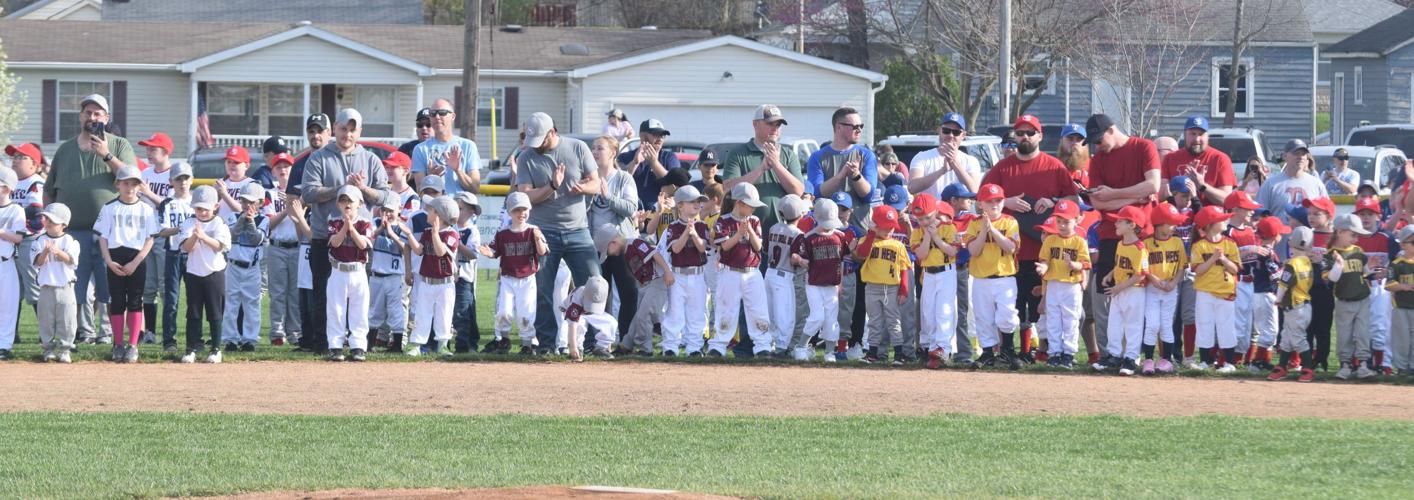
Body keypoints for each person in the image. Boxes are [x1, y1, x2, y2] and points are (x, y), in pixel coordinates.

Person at [979, 115, 1080, 363]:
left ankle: (1042, 350)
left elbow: (1075, 200)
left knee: (1042, 305)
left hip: (1043, 249)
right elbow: (980, 200)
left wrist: (1053, 202)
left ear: (1040, 136)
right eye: (1020, 133)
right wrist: (1007, 202)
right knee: (1011, 304)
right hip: (1009, 253)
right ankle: (1008, 351)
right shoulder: (1003, 168)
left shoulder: (1053, 166)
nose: (1024, 137)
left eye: (1030, 132)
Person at [44, 93, 135, 346]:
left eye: (97, 114)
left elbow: (131, 178)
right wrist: (49, 220)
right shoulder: (65, 149)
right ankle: (84, 332)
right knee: (77, 286)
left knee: (109, 285)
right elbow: (49, 188)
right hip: (73, 231)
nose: (92, 117)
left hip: (111, 231)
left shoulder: (119, 145)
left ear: (106, 118)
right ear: (80, 115)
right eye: (87, 112)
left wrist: (106, 154)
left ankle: (106, 334)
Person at [300, 108, 391, 356]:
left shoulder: (370, 159)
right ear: (334, 130)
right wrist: (340, 189)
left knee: (360, 297)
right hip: (325, 237)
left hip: (359, 239)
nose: (347, 134)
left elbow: (385, 196)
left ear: (359, 131)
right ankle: (327, 344)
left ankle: (359, 343)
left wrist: (362, 189)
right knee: (325, 294)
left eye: (352, 129)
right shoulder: (319, 157)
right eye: (343, 128)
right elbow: (308, 193)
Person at [514, 112, 602, 353]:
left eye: (540, 140)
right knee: (543, 290)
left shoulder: (578, 148)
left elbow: (596, 183)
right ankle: (546, 344)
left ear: (552, 132)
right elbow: (525, 196)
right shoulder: (526, 157)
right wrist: (552, 185)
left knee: (594, 285)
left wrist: (583, 188)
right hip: (544, 233)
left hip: (578, 231)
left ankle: (597, 342)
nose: (536, 147)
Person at [1082, 113, 1161, 361]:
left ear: (1112, 129)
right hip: (1110, 234)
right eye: (1093, 142)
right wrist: (1134, 199)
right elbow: (1096, 200)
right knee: (1105, 294)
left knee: (1139, 296)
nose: (1097, 146)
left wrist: (1114, 195)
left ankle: (1135, 354)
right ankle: (1109, 354)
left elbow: (1153, 186)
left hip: (1141, 235)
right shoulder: (1097, 161)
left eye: (1099, 139)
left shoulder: (1144, 147)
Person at [96, 165, 160, 363]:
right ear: (118, 184)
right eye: (126, 183)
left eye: (134, 183)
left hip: (137, 257)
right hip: (115, 256)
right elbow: (103, 237)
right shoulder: (109, 208)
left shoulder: (146, 209)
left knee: (134, 300)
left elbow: (150, 238)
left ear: (140, 186)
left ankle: (132, 345)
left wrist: (136, 261)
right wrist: (108, 261)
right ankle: (117, 344)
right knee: (117, 301)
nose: (130, 187)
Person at [710, 182, 772, 358]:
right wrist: (739, 234)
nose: (753, 209)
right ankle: (719, 344)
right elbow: (726, 246)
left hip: (752, 271)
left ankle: (762, 345)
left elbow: (759, 246)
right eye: (751, 205)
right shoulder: (724, 221)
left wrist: (750, 231)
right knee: (726, 308)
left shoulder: (755, 220)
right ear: (740, 203)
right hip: (730, 271)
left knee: (757, 309)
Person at [721, 105, 806, 231]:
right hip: (744, 230)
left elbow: (798, 191)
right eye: (770, 123)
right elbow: (728, 188)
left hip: (780, 231)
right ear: (755, 124)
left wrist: (776, 165)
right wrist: (761, 169)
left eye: (778, 124)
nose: (775, 128)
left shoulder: (788, 154)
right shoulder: (738, 153)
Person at [480, 192, 546, 355]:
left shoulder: (533, 231)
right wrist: (489, 253)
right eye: (517, 210)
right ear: (510, 212)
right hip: (508, 278)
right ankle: (504, 340)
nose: (521, 213)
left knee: (526, 313)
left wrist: (538, 239)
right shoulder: (503, 234)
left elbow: (543, 252)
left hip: (527, 279)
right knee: (504, 311)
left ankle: (527, 344)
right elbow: (494, 252)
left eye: (524, 209)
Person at [589, 135, 640, 346]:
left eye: (600, 148)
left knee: (628, 292)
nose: (595, 152)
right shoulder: (588, 178)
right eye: (593, 148)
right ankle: (602, 341)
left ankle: (626, 340)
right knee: (600, 295)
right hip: (596, 246)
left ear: (613, 153)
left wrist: (608, 196)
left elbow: (630, 207)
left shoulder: (623, 178)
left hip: (621, 245)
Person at [594, 223, 674, 357]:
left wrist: (667, 271)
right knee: (637, 318)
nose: (610, 254)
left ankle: (646, 349)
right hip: (646, 285)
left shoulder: (635, 243)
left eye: (608, 250)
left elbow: (654, 254)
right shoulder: (625, 251)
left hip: (657, 280)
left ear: (613, 242)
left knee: (644, 316)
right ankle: (626, 345)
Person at [1092, 206, 1148, 376]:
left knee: (1133, 326)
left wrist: (1118, 287)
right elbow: (1119, 265)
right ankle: (1114, 356)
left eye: (1120, 221)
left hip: (1134, 291)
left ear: (1132, 225)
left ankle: (1130, 358)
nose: (1115, 223)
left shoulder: (1139, 248)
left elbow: (1140, 275)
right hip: (1119, 290)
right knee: (1114, 324)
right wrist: (1110, 275)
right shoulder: (1120, 244)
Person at [1035, 200, 1090, 370]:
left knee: (1070, 319)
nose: (1062, 225)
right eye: (1059, 221)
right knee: (1053, 319)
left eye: (1066, 222)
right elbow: (1045, 260)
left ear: (1076, 220)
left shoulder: (1079, 241)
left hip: (1071, 285)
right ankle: (1055, 352)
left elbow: (1086, 264)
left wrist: (1075, 265)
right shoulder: (1050, 240)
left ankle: (1068, 353)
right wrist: (1042, 267)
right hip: (1053, 284)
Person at [179, 186, 231, 364]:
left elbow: (219, 246)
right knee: (193, 313)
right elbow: (187, 248)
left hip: (214, 273)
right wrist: (195, 236)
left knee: (215, 312)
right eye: (197, 208)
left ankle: (216, 349)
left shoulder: (219, 223)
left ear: (215, 206)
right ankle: (190, 349)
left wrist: (202, 236)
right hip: (194, 273)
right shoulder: (188, 223)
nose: (200, 212)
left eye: (204, 208)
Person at [855, 205, 912, 365]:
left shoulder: (898, 245)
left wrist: (904, 289)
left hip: (891, 289)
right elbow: (861, 254)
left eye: (891, 227)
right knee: (874, 322)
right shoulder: (867, 240)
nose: (888, 231)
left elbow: (904, 268)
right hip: (872, 287)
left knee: (894, 321)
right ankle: (872, 353)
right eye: (884, 227)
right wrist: (872, 233)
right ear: (874, 225)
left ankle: (899, 354)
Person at [659, 185, 711, 357]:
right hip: (678, 275)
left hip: (697, 275)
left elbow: (703, 248)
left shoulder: (702, 226)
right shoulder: (673, 227)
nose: (697, 205)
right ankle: (670, 347)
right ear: (680, 205)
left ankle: (694, 347)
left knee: (697, 313)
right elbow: (676, 249)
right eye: (692, 202)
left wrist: (694, 233)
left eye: (698, 202)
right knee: (674, 312)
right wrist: (685, 233)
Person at [798, 198, 851, 362]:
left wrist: (840, 282)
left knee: (831, 319)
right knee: (817, 316)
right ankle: (801, 347)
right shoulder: (809, 238)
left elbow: (842, 260)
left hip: (832, 284)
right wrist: (801, 261)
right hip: (814, 283)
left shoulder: (840, 236)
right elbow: (802, 259)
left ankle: (829, 352)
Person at [910, 194, 959, 368]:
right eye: (920, 218)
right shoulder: (917, 232)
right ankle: (930, 348)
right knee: (928, 312)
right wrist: (928, 236)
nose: (924, 221)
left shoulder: (948, 227)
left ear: (936, 212)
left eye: (928, 217)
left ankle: (943, 349)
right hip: (928, 274)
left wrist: (936, 236)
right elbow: (921, 255)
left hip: (946, 272)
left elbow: (952, 252)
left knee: (944, 310)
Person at [807, 107, 879, 228]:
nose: (859, 130)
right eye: (855, 127)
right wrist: (840, 176)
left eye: (861, 126)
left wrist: (856, 176)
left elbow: (868, 196)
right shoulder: (817, 157)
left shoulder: (867, 155)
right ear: (839, 127)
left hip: (859, 233)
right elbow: (817, 194)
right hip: (826, 233)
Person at [325, 185, 374, 361]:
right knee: (336, 310)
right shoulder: (334, 222)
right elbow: (335, 243)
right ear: (338, 205)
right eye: (343, 200)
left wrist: (351, 228)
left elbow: (363, 245)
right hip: (338, 270)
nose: (346, 204)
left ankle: (358, 346)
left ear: (359, 203)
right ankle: (336, 346)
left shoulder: (365, 223)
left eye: (350, 201)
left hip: (358, 271)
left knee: (359, 310)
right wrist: (345, 226)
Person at [1189, 206, 1241, 372]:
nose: (1226, 220)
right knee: (1204, 325)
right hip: (1204, 291)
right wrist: (1213, 258)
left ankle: (1229, 363)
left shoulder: (1230, 243)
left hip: (1225, 291)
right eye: (1222, 219)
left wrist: (1223, 259)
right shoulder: (1199, 245)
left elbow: (1236, 269)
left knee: (1226, 326)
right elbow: (1198, 270)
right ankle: (1205, 361)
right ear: (1211, 224)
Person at [406, 196, 460, 356]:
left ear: (440, 215)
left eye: (431, 210)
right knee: (422, 313)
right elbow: (419, 250)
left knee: (444, 314)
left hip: (445, 283)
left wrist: (435, 233)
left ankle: (442, 345)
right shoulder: (427, 232)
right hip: (426, 281)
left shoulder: (452, 234)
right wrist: (409, 235)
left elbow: (440, 252)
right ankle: (416, 344)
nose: (427, 212)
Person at [1326, 213, 1376, 380]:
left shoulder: (1358, 251)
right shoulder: (1331, 254)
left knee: (1363, 333)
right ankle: (1345, 365)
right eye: (1353, 235)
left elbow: (1366, 272)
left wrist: (1373, 270)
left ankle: (1363, 365)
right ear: (1339, 232)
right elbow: (1332, 278)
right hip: (1344, 300)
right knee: (1344, 334)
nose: (1356, 239)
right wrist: (1338, 264)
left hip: (1363, 298)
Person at [221, 184, 269, 353]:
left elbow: (256, 239)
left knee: (252, 304)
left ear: (260, 203)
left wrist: (250, 222)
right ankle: (230, 339)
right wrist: (243, 219)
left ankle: (249, 339)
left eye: (251, 202)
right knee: (231, 303)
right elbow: (232, 235)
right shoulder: (233, 216)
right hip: (233, 265)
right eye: (244, 201)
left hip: (252, 268)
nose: (247, 205)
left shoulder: (264, 220)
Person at [1142, 202, 1187, 374]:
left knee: (1167, 324)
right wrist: (1152, 279)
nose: (1175, 226)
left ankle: (1165, 360)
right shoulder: (1146, 243)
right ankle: (1148, 360)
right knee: (1152, 324)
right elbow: (1143, 267)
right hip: (1152, 288)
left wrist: (1174, 282)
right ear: (1160, 225)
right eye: (1171, 223)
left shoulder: (1177, 242)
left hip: (1170, 287)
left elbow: (1182, 266)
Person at [1269, 226, 1319, 382]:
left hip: (1295, 306)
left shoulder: (1292, 263)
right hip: (1304, 304)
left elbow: (1283, 285)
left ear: (1291, 243)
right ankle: (1282, 366)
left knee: (1297, 338)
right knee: (1286, 337)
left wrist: (1278, 299)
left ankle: (1308, 368)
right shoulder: (1307, 262)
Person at [154, 164, 194, 352]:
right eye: (178, 179)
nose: (183, 182)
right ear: (171, 181)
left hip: (194, 254)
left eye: (186, 178)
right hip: (174, 253)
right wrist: (182, 228)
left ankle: (195, 339)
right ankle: (169, 340)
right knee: (171, 298)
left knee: (195, 299)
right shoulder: (167, 203)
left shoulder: (197, 202)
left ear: (192, 180)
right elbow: (162, 231)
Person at [33, 203, 79, 363]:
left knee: (67, 320)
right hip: (46, 287)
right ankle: (48, 349)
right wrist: (45, 251)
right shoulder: (39, 240)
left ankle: (65, 349)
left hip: (65, 286)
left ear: (64, 224)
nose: (48, 222)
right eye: (47, 219)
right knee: (46, 320)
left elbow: (72, 261)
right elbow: (38, 262)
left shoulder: (69, 240)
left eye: (54, 221)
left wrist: (59, 252)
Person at [263, 152, 301, 346]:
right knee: (277, 292)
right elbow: (269, 224)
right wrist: (287, 207)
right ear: (273, 171)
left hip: (296, 246)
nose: (283, 170)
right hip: (276, 246)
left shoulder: (300, 193)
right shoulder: (269, 194)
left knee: (294, 292)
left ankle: (294, 331)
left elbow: (301, 222)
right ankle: (277, 332)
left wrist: (294, 202)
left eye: (286, 166)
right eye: (279, 167)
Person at [412, 99, 481, 197]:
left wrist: (458, 170)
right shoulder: (420, 149)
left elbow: (475, 188)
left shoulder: (468, 146)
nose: (437, 117)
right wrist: (431, 178)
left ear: (452, 116)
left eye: (442, 113)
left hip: (460, 209)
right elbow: (420, 192)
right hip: (434, 209)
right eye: (433, 114)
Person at [765, 194, 807, 358]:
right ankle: (782, 347)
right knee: (785, 314)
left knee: (770, 313)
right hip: (784, 274)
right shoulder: (798, 233)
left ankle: (768, 345)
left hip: (769, 273)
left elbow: (765, 249)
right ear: (800, 214)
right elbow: (794, 258)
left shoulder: (774, 227)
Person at [7, 143, 45, 320]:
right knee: (12, 289)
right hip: (9, 240)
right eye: (14, 157)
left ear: (34, 164)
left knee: (34, 287)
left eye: (22, 157)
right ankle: (12, 333)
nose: (15, 160)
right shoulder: (10, 183)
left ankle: (45, 334)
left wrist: (12, 217)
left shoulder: (35, 182)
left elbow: (37, 215)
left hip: (30, 240)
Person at [1160, 117, 1235, 205]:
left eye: (1201, 134)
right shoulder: (1170, 158)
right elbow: (1160, 196)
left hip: (1211, 216)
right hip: (1178, 216)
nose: (1197, 139)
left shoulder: (1220, 159)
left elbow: (1227, 200)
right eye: (1193, 134)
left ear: (1207, 136)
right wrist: (1183, 181)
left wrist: (1201, 185)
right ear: (1185, 135)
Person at [908, 112, 981, 200]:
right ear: (939, 131)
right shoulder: (921, 157)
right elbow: (912, 188)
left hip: (959, 213)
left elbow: (974, 191)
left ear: (963, 135)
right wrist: (942, 171)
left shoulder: (971, 161)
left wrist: (954, 163)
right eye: (946, 131)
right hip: (931, 212)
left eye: (956, 132)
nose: (950, 135)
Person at [1246, 216, 1288, 372]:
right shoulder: (1268, 253)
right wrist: (1287, 268)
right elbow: (1275, 276)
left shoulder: (1261, 250)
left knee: (1266, 329)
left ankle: (1264, 361)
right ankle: (1257, 362)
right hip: (1265, 294)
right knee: (1271, 331)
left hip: (1259, 293)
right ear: (1274, 235)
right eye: (1280, 233)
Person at [1256, 140, 1328, 226]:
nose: (1300, 157)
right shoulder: (1271, 184)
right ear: (1285, 156)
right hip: (1280, 237)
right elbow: (1260, 215)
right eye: (1296, 153)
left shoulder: (1316, 183)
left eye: (1303, 154)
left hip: (1309, 237)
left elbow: (1327, 212)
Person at [620, 118, 682, 211]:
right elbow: (619, 181)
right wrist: (635, 162)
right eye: (656, 134)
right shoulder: (626, 157)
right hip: (633, 213)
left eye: (663, 135)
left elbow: (677, 183)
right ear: (643, 136)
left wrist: (654, 163)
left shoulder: (669, 157)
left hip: (661, 216)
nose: (660, 138)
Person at [451, 192, 483, 353]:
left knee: (464, 311)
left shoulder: (472, 231)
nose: (458, 211)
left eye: (462, 208)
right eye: (457, 207)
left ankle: (464, 345)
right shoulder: (449, 227)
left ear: (471, 212)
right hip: (449, 277)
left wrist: (456, 243)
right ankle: (459, 343)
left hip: (464, 277)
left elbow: (473, 254)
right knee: (451, 312)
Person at [559, 276, 616, 361]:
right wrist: (573, 347)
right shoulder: (577, 298)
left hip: (588, 312)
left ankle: (601, 348)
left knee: (612, 322)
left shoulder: (601, 293)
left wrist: (608, 347)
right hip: (569, 311)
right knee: (580, 324)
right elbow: (572, 325)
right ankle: (578, 348)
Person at [0, 166, 25, 360]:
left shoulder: (16, 209)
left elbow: (18, 238)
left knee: (7, 306)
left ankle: (4, 345)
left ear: (7, 189)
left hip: (5, 262)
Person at [1385, 226, 1414, 378]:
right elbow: (1388, 284)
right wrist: (1403, 286)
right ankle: (1402, 367)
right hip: (1401, 306)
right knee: (1402, 338)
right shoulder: (1397, 263)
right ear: (1403, 244)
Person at [289, 113, 332, 197]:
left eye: (320, 131)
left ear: (329, 132)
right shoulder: (299, 165)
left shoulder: (337, 160)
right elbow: (291, 199)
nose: (315, 135)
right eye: (311, 132)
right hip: (304, 210)